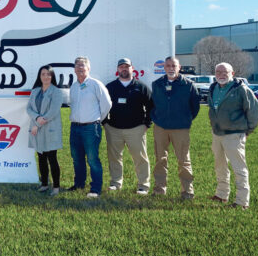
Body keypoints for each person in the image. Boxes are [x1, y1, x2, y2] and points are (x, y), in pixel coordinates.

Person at [208, 62, 258, 209]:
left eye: (225, 72)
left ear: (233, 73)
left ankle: (242, 202)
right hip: (217, 134)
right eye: (218, 72)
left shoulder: (241, 89)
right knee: (220, 166)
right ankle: (221, 194)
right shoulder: (213, 88)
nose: (221, 75)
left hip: (234, 135)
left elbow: (254, 112)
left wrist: (246, 131)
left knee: (239, 168)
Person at [150, 56, 200, 199]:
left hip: (181, 128)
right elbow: (152, 104)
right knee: (160, 159)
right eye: (168, 66)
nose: (171, 68)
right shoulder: (157, 84)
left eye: (174, 66)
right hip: (160, 128)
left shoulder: (188, 85)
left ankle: (187, 192)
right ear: (164, 68)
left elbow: (194, 107)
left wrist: (184, 120)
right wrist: (158, 119)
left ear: (179, 68)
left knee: (183, 160)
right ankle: (159, 190)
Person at [104, 58, 153, 195]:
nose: (124, 69)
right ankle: (115, 183)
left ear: (132, 68)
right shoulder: (110, 87)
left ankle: (143, 185)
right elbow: (101, 106)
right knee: (114, 158)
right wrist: (105, 123)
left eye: (127, 66)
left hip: (136, 129)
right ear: (117, 69)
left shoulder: (141, 87)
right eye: (121, 67)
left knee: (140, 158)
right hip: (113, 128)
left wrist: (146, 124)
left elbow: (151, 106)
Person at [67, 56, 112, 198]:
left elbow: (107, 104)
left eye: (83, 65)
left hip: (90, 128)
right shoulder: (73, 87)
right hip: (75, 128)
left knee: (92, 159)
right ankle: (79, 183)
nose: (80, 68)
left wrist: (97, 120)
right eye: (78, 65)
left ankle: (95, 188)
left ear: (88, 68)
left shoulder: (95, 84)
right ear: (74, 69)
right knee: (76, 158)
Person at [26, 65, 66, 196]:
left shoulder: (56, 92)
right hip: (36, 128)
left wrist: (37, 124)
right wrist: (37, 118)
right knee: (41, 158)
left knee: (52, 158)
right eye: (43, 74)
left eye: (49, 74)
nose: (46, 76)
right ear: (39, 76)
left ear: (52, 76)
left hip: (49, 129)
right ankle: (44, 184)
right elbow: (29, 109)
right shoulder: (35, 91)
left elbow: (53, 112)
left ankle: (56, 187)